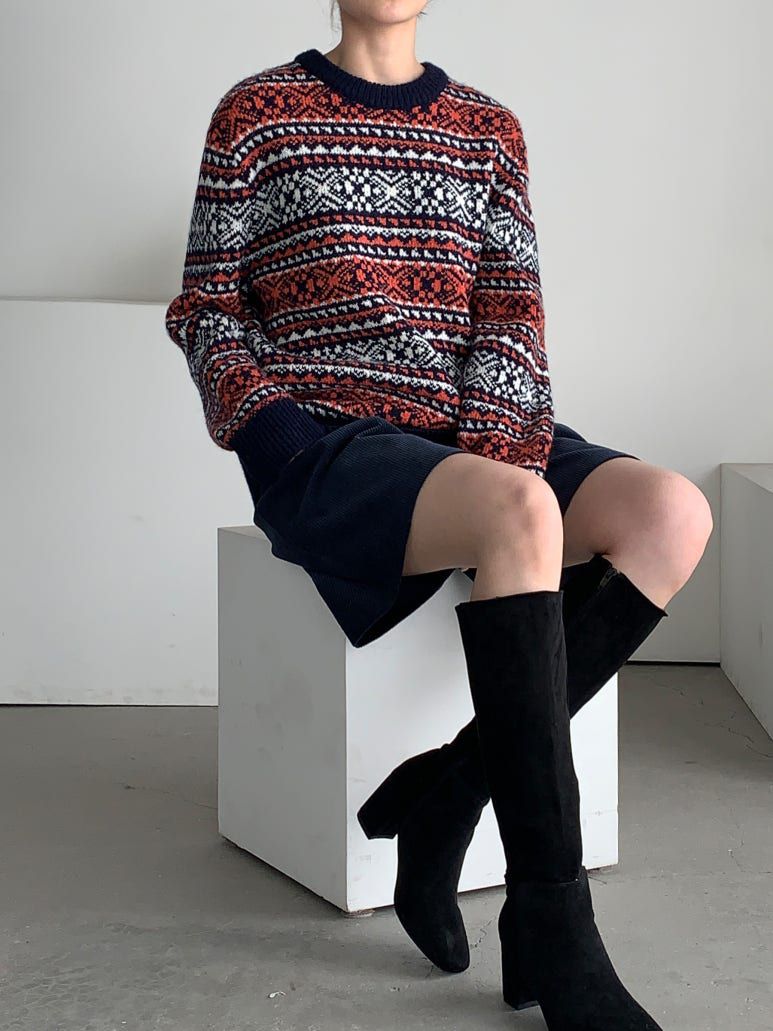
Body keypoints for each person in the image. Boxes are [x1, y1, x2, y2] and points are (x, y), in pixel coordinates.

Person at [164, 2, 713, 1026]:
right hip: (332, 442)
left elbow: (512, 314)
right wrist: (269, 434)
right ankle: (553, 918)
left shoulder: (488, 127)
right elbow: (206, 307)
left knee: (672, 513)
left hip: (476, 432)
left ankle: (450, 789)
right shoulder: (256, 113)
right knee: (518, 510)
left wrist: (496, 460)